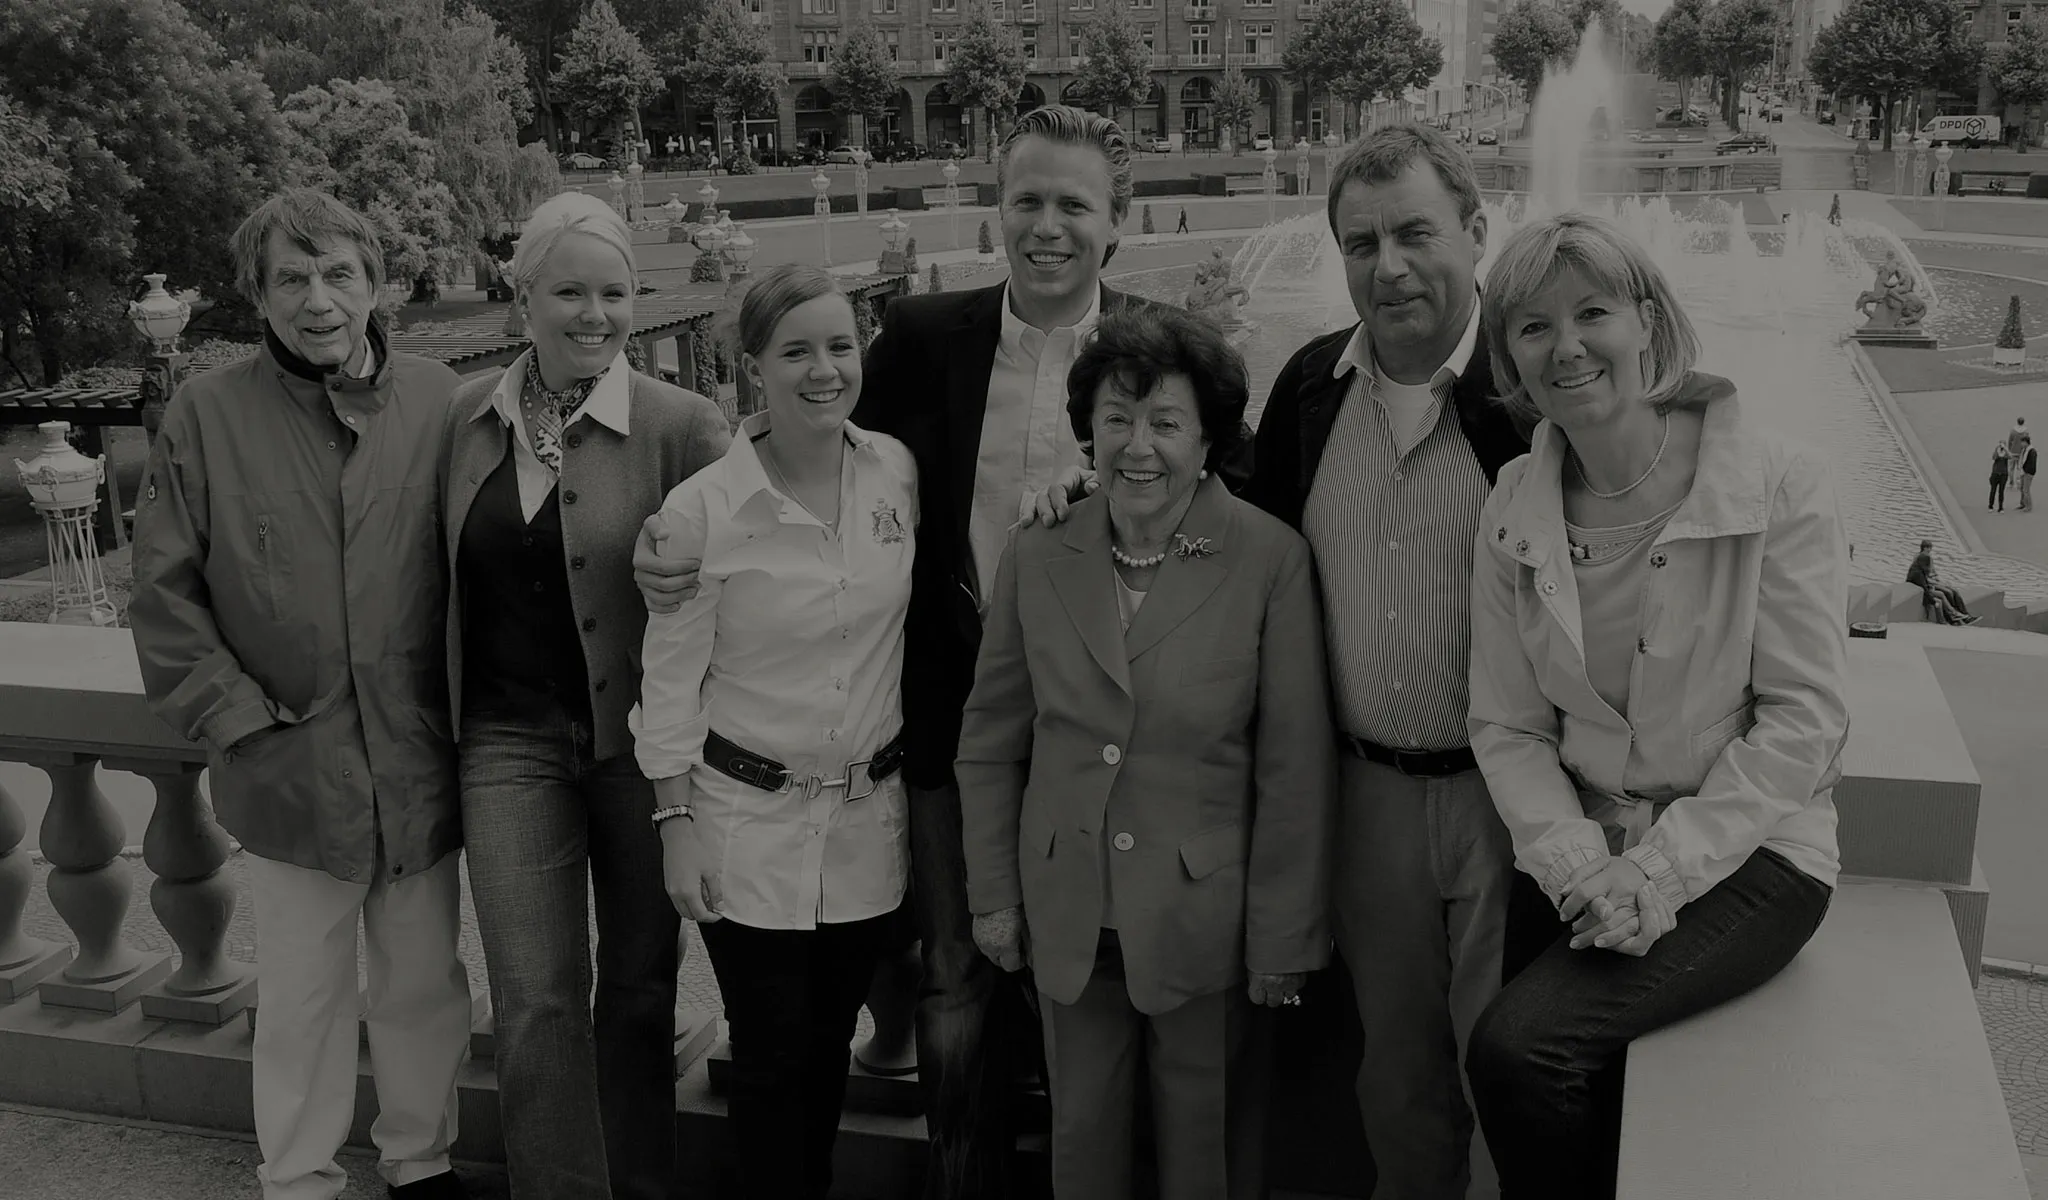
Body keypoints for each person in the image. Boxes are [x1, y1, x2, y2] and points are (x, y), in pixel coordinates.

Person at [634, 104, 1235, 1200]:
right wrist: (681, 534)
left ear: (1118, 222)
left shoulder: (1160, 351)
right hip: (956, 727)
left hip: (1118, 737)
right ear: (995, 209)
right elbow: (814, 436)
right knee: (956, 978)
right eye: (1026, 201)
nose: (1045, 226)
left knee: (1097, 984)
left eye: (1072, 205)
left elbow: (1224, 522)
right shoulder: (918, 340)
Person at [1462, 212, 1845, 1199]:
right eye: (1531, 327)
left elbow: (1802, 718)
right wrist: (1581, 862)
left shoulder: (1774, 481)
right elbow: (1505, 723)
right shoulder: (1510, 499)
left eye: (1591, 312)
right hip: (1583, 846)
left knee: (1519, 1052)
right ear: (1506, 354)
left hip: (1747, 852)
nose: (1566, 346)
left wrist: (1661, 874)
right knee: (1541, 1077)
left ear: (1644, 321)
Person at [129, 188, 473, 1200]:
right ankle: (300, 1179)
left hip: (417, 762)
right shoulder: (207, 413)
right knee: (302, 1001)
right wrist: (242, 729)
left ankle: (422, 1164)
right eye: (291, 277)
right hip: (288, 772)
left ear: (376, 284)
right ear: (256, 296)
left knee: (421, 988)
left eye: (338, 273)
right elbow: (162, 597)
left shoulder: (439, 400)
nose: (317, 299)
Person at [958, 308, 1337, 1199]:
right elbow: (988, 743)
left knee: (1206, 1142)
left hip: (1205, 917)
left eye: (1166, 423)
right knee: (1081, 1136)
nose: (1138, 447)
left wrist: (1283, 936)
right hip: (1070, 905)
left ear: (1208, 440)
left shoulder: (1269, 560)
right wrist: (994, 897)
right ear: (1088, 429)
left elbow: (1294, 771)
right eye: (1117, 420)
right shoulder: (1038, 553)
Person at [1239, 123, 1535, 1200]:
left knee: (1505, 1072)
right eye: (1360, 242)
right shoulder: (1310, 388)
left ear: (1474, 230)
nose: (1388, 266)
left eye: (1415, 233)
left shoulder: (1525, 391)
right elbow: (1240, 546)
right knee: (1396, 1077)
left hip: (1514, 801)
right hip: (1363, 799)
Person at [439, 191, 730, 1200]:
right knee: (533, 999)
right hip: (506, 744)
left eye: (613, 291)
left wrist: (692, 582)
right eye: (569, 290)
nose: (594, 314)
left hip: (643, 754)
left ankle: (640, 1184)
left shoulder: (682, 425)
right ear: (523, 295)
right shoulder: (460, 417)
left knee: (642, 991)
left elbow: (757, 580)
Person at [631, 265, 917, 1200]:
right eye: (795, 351)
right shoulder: (700, 513)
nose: (824, 370)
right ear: (753, 367)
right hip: (743, 826)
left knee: (827, 1052)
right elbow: (668, 684)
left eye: (840, 346)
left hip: (867, 823)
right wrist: (675, 826)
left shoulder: (896, 472)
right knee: (768, 1057)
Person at [1907, 538, 1977, 625]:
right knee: (1947, 593)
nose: (1930, 549)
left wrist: (1939, 581)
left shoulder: (1925, 561)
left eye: (1930, 547)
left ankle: (1962, 615)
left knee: (1953, 591)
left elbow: (1932, 573)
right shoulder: (1921, 562)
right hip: (1929, 584)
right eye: (1928, 547)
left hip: (1930, 583)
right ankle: (1954, 617)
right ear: (1924, 548)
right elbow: (1925, 583)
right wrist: (1933, 598)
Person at [1990, 441, 2011, 511]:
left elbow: (2010, 456)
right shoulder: (1997, 451)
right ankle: (1990, 505)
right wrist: (1997, 449)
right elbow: (1994, 457)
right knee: (1993, 490)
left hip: (2003, 474)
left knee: (2001, 491)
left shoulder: (2006, 453)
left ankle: (2000, 507)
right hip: (1995, 473)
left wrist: (2005, 449)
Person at [2023, 441, 2038, 512]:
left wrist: (2026, 470)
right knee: (2025, 490)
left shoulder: (2031, 451)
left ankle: (2028, 506)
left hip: (2028, 473)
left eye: (2022, 442)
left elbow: (2031, 464)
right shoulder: (2027, 450)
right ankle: (2026, 505)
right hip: (2027, 472)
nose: (2021, 444)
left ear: (2026, 442)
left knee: (2026, 490)